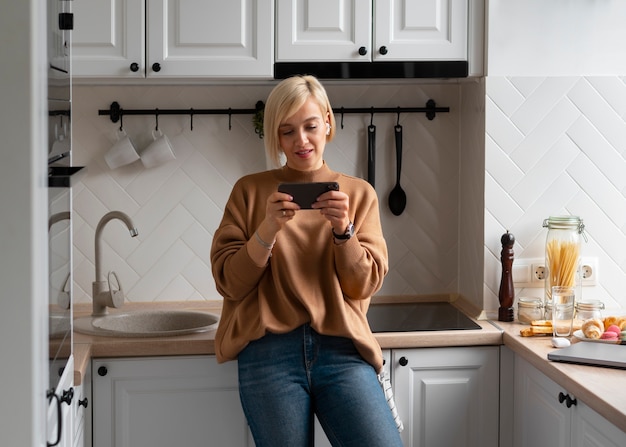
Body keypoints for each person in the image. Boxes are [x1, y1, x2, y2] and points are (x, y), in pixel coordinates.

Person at [210, 75, 403, 447]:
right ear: (276, 137)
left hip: (343, 351)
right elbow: (229, 282)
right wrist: (266, 231)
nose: (301, 141)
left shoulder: (359, 195)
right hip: (268, 353)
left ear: (327, 122)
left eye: (311, 126)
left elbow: (362, 286)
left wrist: (343, 232)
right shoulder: (249, 192)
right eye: (287, 131)